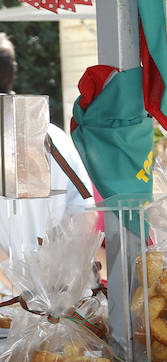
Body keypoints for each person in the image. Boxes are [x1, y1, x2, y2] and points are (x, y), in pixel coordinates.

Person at [0, 33, 94, 269]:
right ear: (13, 71)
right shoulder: (51, 136)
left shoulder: (47, 135)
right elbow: (85, 210)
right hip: (55, 293)